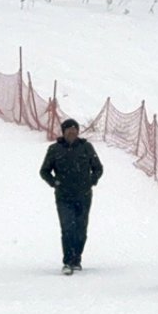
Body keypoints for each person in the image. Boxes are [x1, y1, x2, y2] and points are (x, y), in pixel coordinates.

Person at [39, 118, 104, 275]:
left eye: (74, 131)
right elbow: (44, 171)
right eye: (69, 131)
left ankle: (77, 259)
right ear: (64, 132)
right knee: (67, 228)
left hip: (84, 195)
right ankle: (68, 261)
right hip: (64, 197)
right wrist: (55, 183)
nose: (72, 133)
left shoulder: (86, 147)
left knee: (81, 229)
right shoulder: (54, 149)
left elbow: (98, 168)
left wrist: (91, 180)